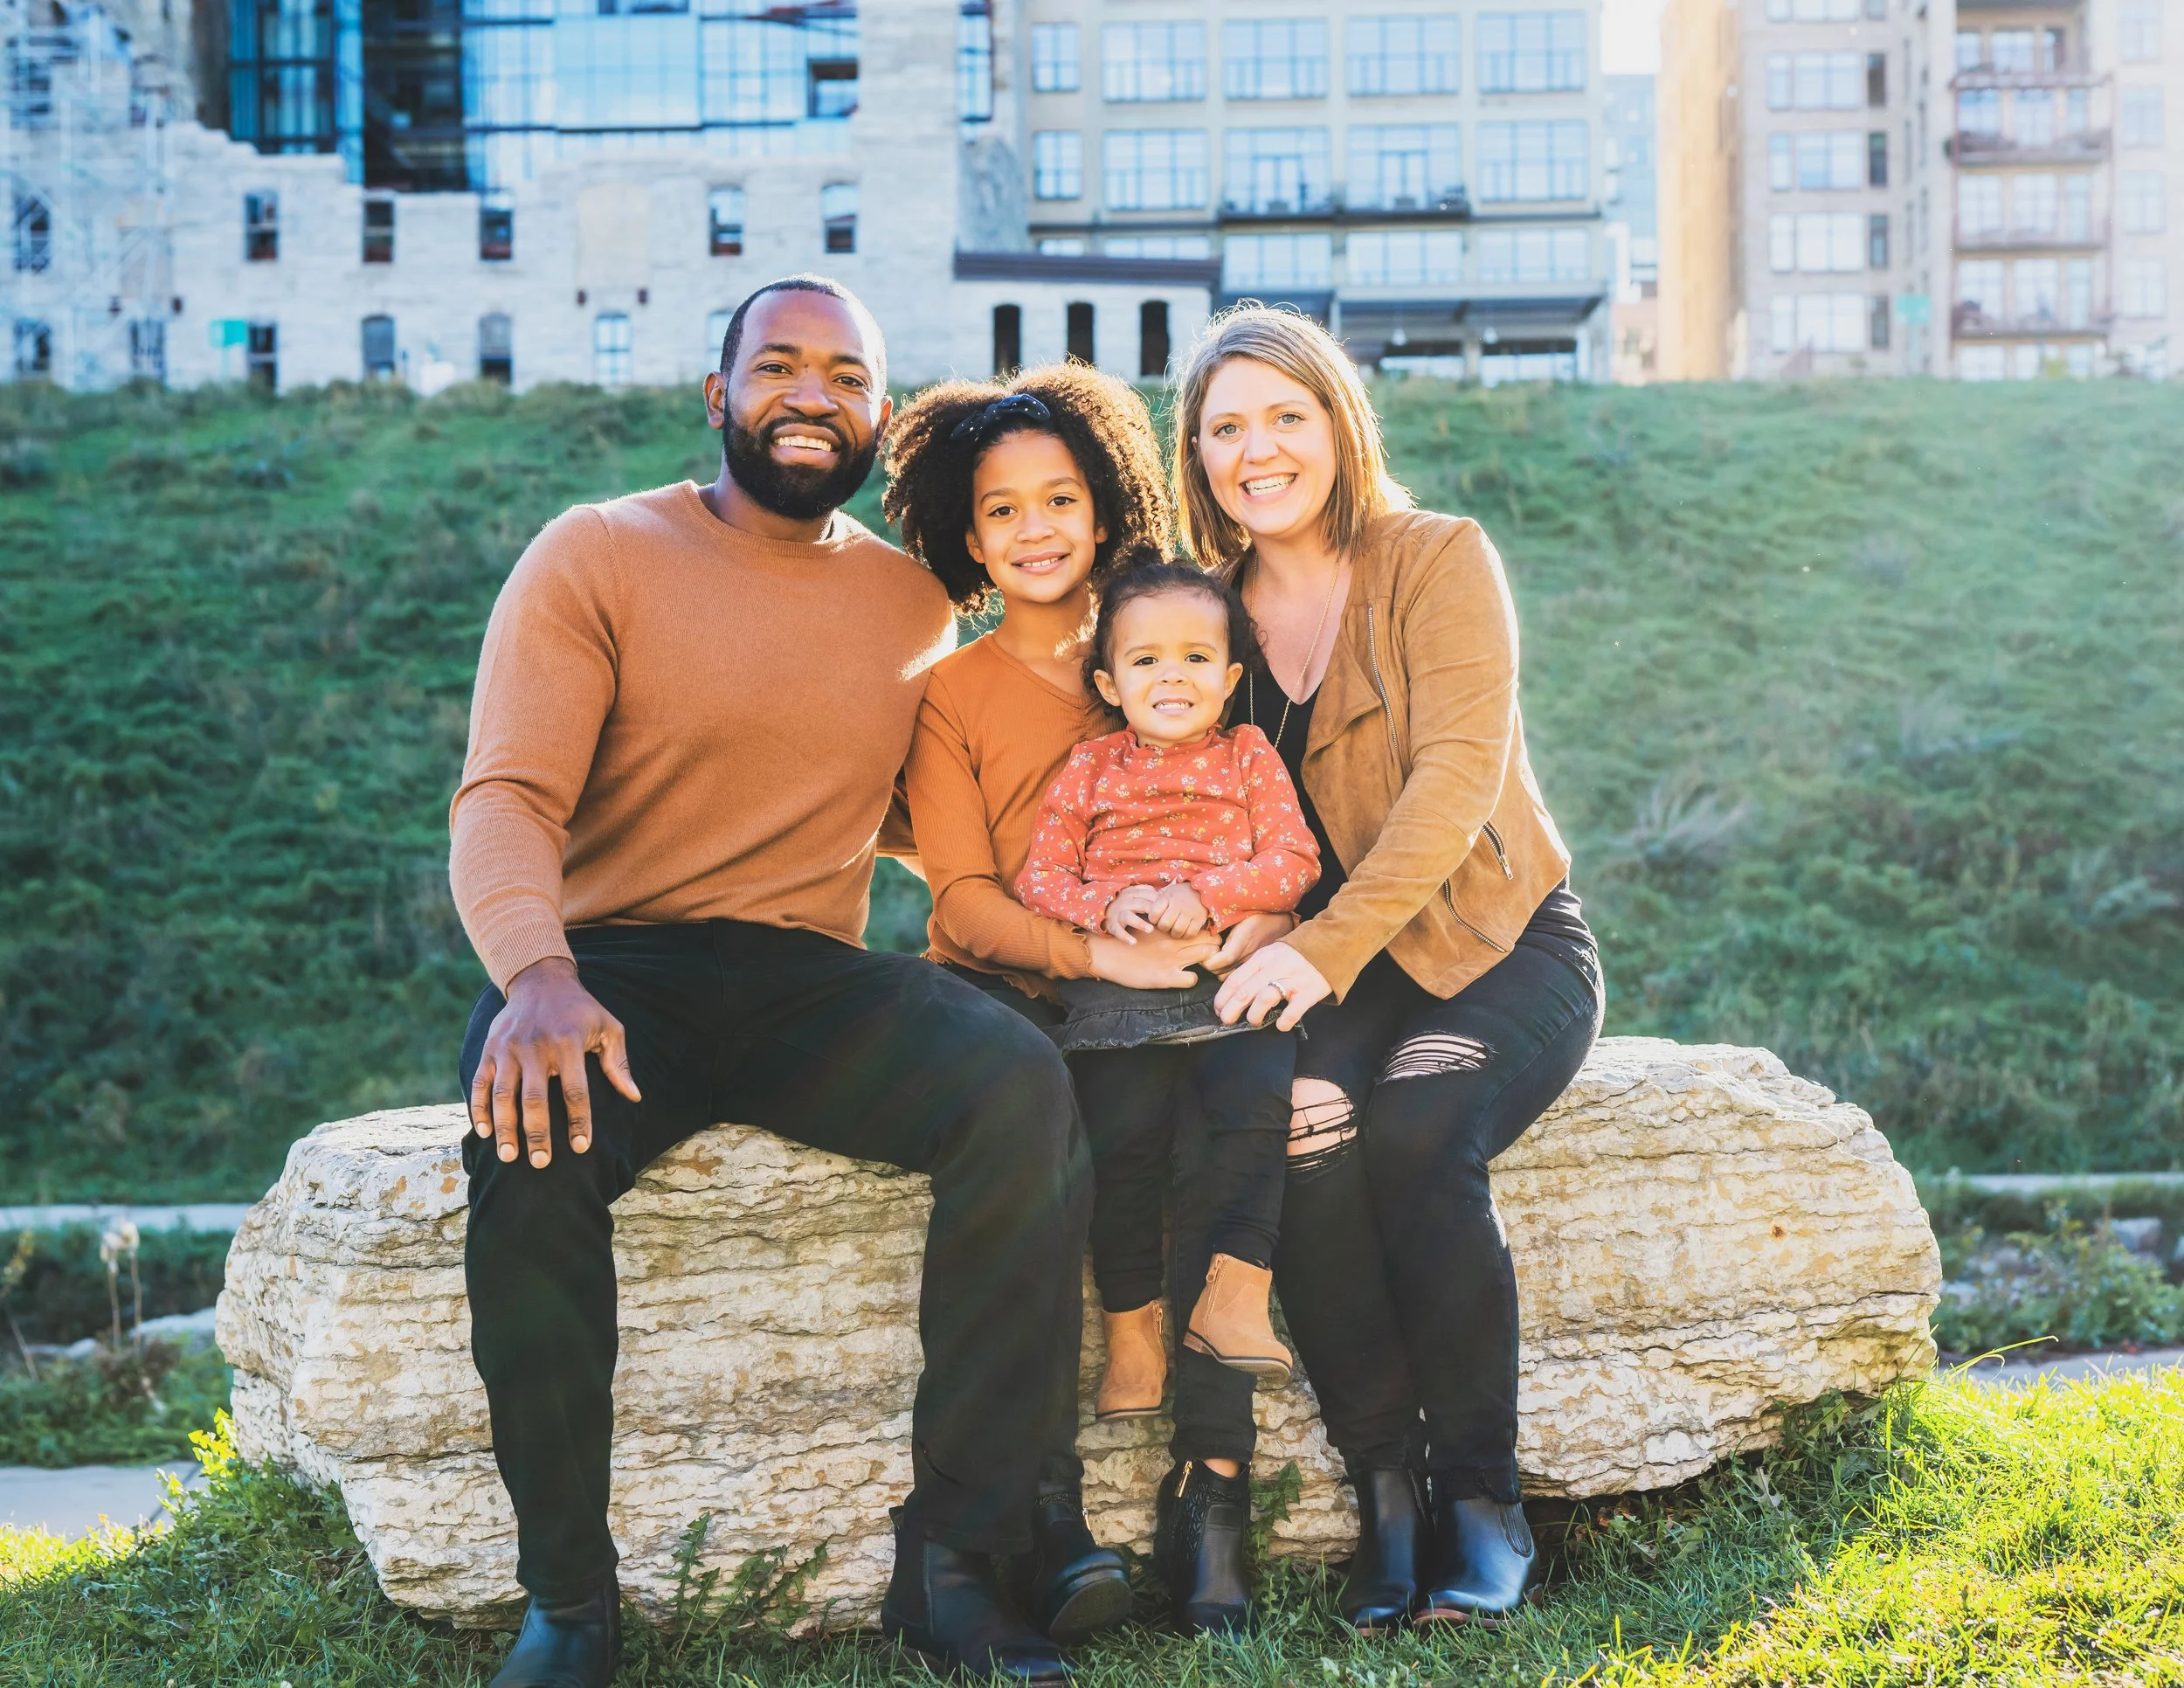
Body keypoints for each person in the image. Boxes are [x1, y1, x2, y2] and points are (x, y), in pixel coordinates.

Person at [449, 276, 1095, 1688]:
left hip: (811, 979)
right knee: (530, 1140)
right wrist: (535, 977)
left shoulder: (914, 602)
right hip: (612, 974)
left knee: (1013, 1087)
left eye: (850, 377)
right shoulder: (596, 555)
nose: (816, 395)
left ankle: (956, 1568)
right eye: (782, 367)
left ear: (877, 412)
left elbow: (951, 822)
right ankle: (568, 1600)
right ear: (718, 394)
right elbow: (504, 799)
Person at [1176, 306, 1607, 1633]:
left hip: (1498, 942)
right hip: (1339, 967)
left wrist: (1316, 949)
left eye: (1285, 416)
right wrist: (1240, 924)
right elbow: (1212, 813)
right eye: (1226, 427)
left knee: (1420, 1122)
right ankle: (1389, 1500)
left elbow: (1456, 780)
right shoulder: (1214, 619)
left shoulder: (1436, 559)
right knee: (1299, 1126)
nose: (1260, 450)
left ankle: (1483, 1501)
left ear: (1338, 422)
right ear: (1197, 457)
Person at [885, 371, 1299, 1634]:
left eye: (1061, 497)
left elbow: (1279, 835)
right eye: (1002, 511)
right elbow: (959, 901)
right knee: (1065, 1144)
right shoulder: (951, 691)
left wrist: (1249, 928)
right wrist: (1096, 955)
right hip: (1025, 988)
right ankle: (1048, 1513)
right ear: (967, 536)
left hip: (1190, 971)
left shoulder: (1176, 641)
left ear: (1106, 501)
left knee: (1231, 1122)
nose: (1036, 529)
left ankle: (1212, 1492)